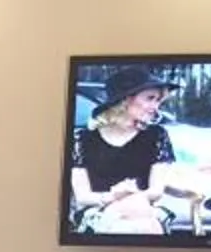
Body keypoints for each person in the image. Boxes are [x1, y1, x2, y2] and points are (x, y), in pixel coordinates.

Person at [69, 67, 185, 235]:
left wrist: (132, 195)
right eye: (150, 98)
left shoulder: (157, 136)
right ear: (125, 100)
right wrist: (113, 197)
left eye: (158, 100)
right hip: (98, 211)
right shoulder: (83, 139)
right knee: (141, 226)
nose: (156, 107)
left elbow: (156, 192)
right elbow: (82, 196)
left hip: (142, 207)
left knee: (137, 217)